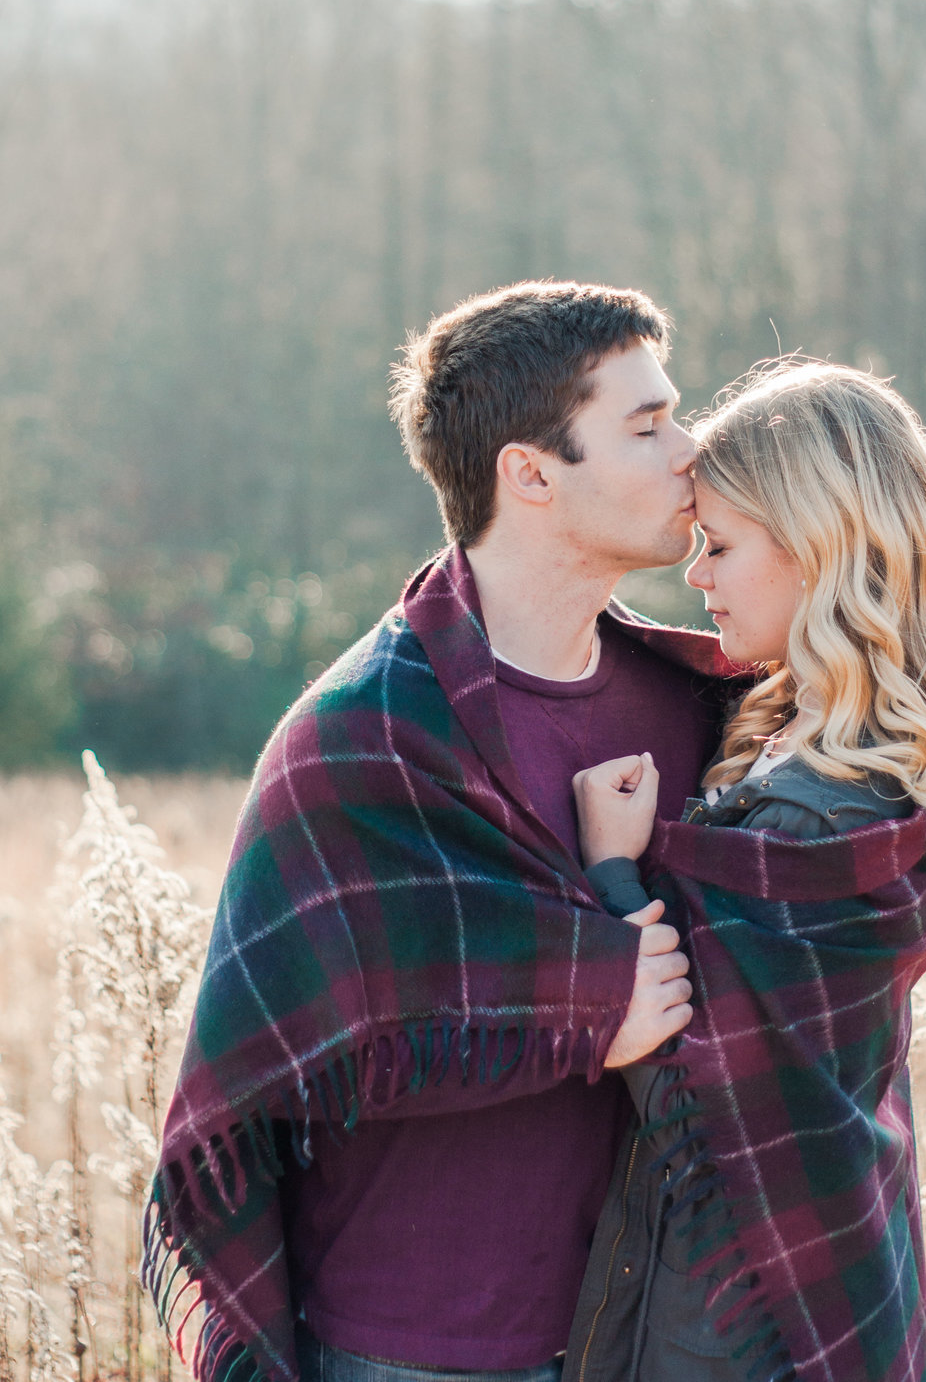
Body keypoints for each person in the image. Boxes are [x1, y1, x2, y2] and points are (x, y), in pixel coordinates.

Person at [142, 281, 740, 1382]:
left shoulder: (698, 706)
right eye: (647, 426)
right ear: (530, 474)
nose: (690, 449)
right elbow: (272, 1066)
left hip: (651, 1332)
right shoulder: (358, 739)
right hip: (408, 1347)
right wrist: (586, 994)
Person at [563, 360, 926, 1382]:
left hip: (736, 1321)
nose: (696, 576)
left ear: (821, 550)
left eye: (721, 546)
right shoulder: (807, 737)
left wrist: (610, 865)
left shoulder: (819, 814)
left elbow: (685, 1078)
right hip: (802, 1267)